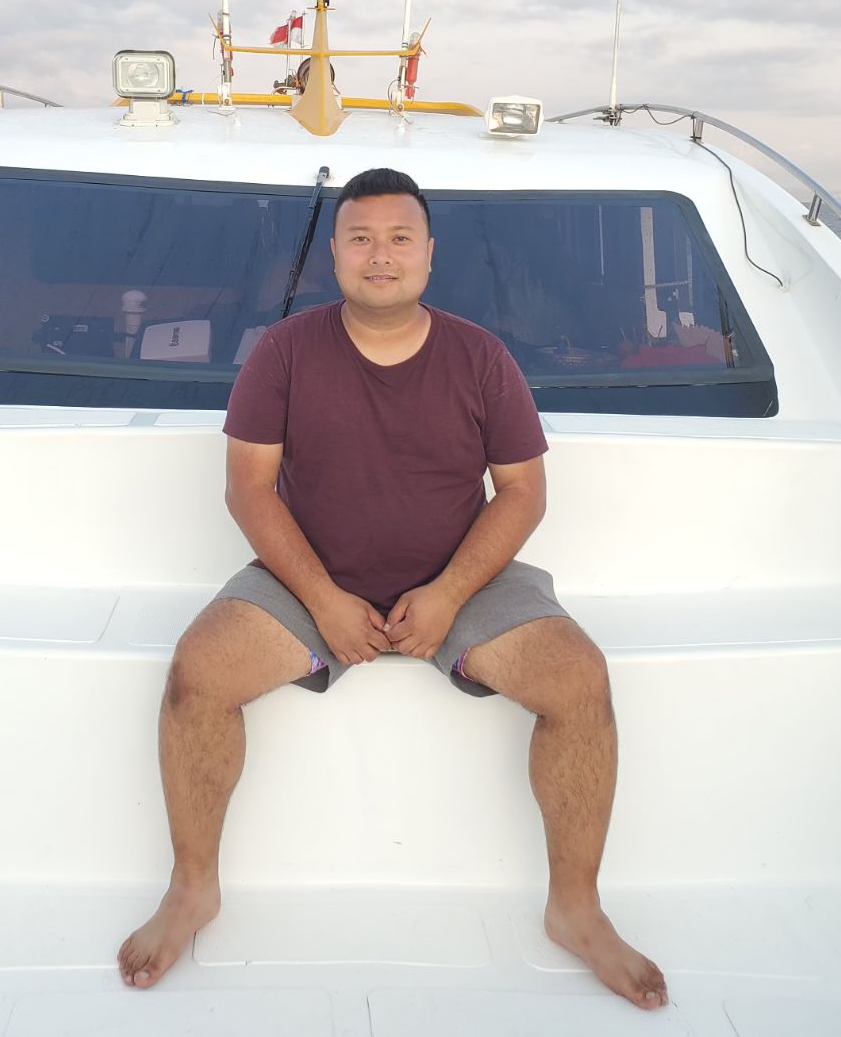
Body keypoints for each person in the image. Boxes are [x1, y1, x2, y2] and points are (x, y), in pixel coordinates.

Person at [117, 168, 667, 1011]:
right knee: (199, 672)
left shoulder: (481, 357)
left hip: (460, 579)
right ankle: (193, 889)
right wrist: (324, 600)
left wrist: (447, 594)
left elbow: (523, 493)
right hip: (312, 577)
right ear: (335, 254)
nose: (381, 255)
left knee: (578, 679)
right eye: (362, 238)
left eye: (400, 238)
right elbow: (249, 490)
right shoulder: (284, 351)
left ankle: (576, 908)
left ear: (429, 253)